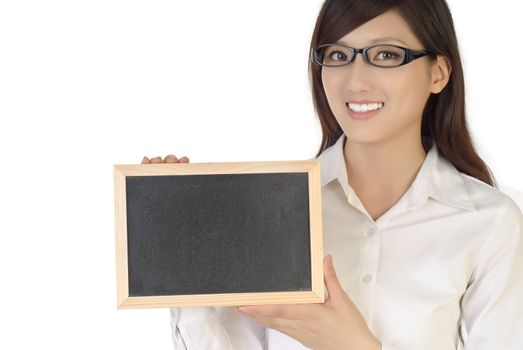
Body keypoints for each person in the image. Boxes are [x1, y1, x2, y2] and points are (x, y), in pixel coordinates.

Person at [141, 0, 523, 349]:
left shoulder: (489, 222)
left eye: (386, 55)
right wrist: (182, 259)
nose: (355, 80)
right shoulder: (265, 210)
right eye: (338, 55)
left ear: (438, 73)